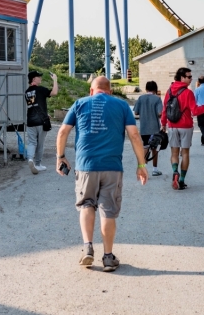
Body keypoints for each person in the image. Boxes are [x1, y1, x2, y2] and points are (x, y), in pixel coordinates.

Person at [56, 76, 148, 271]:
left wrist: (60, 156)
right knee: (108, 210)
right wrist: (141, 164)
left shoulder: (80, 103)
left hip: (86, 165)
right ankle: (108, 257)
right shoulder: (122, 105)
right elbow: (134, 135)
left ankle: (88, 248)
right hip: (112, 167)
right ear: (110, 91)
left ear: (91, 91)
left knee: (86, 204)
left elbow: (63, 131)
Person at [161, 67, 204, 190]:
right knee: (185, 153)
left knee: (174, 153)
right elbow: (195, 111)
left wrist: (163, 124)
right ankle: (182, 180)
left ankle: (175, 171)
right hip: (186, 126)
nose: (191, 79)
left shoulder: (169, 92)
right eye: (189, 77)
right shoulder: (188, 93)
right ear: (182, 77)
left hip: (172, 126)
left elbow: (164, 110)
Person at [25, 70, 58, 174]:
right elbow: (54, 92)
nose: (41, 78)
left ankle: (30, 159)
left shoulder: (27, 92)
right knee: (40, 144)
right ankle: (38, 164)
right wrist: (55, 80)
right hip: (41, 121)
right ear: (34, 79)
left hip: (30, 120)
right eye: (39, 77)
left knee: (31, 142)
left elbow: (34, 105)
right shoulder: (40, 90)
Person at [132, 80, 164, 176]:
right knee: (155, 149)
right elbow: (160, 113)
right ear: (155, 89)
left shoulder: (141, 98)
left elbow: (136, 112)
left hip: (144, 127)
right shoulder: (157, 99)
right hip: (154, 128)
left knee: (145, 147)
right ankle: (155, 169)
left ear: (146, 89)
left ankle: (142, 169)